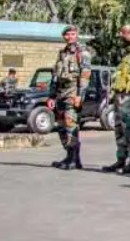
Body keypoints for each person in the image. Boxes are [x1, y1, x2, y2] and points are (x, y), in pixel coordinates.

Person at [103, 24, 130, 174]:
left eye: (123, 37)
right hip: (120, 96)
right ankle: (121, 159)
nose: (121, 40)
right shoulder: (126, 56)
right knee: (119, 130)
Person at [48, 25, 92, 170]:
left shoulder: (83, 52)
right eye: (67, 34)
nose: (70, 37)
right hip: (61, 94)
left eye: (73, 34)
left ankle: (74, 159)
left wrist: (80, 96)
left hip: (73, 93)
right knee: (61, 126)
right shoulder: (62, 53)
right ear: (64, 37)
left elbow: (85, 76)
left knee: (70, 124)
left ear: (76, 35)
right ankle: (70, 157)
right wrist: (51, 96)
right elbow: (55, 76)